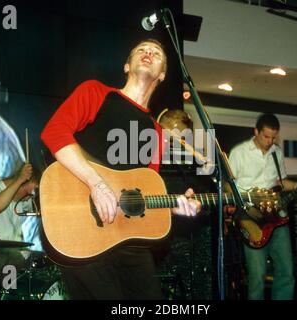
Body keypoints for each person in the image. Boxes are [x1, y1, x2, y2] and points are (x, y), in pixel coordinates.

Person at [40, 38, 201, 300]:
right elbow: (54, 133)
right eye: (141, 50)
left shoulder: (158, 133)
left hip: (127, 237)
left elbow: (142, 191)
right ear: (127, 66)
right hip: (79, 228)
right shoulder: (95, 92)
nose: (148, 53)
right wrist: (98, 184)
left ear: (162, 75)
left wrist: (173, 205)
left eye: (156, 53)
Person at [228, 113, 297, 300]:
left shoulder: (277, 152)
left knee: (286, 271)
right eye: (266, 136)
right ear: (256, 131)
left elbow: (281, 181)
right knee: (257, 276)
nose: (269, 141)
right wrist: (244, 202)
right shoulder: (239, 152)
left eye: (273, 137)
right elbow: (228, 185)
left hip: (278, 218)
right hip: (251, 218)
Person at [0, 163, 42, 271]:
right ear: (21, 183)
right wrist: (19, 180)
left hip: (17, 255)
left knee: (44, 263)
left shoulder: (25, 198)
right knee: (11, 261)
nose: (28, 198)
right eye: (27, 192)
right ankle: (9, 287)